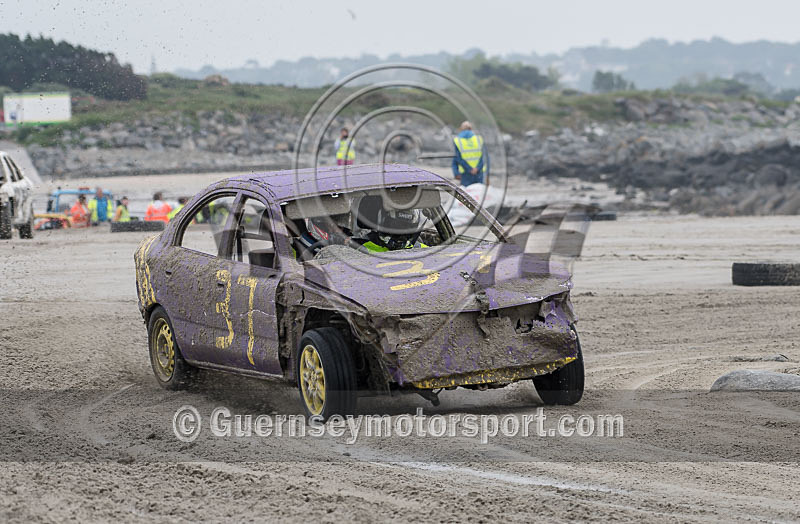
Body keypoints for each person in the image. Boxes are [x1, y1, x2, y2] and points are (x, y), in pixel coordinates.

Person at [451, 121, 489, 187]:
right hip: (479, 172)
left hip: (466, 173)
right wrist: (478, 168)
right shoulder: (479, 139)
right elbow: (485, 157)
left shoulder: (457, 141)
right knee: (479, 192)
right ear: (471, 128)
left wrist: (456, 173)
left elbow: (457, 159)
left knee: (467, 192)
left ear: (461, 129)